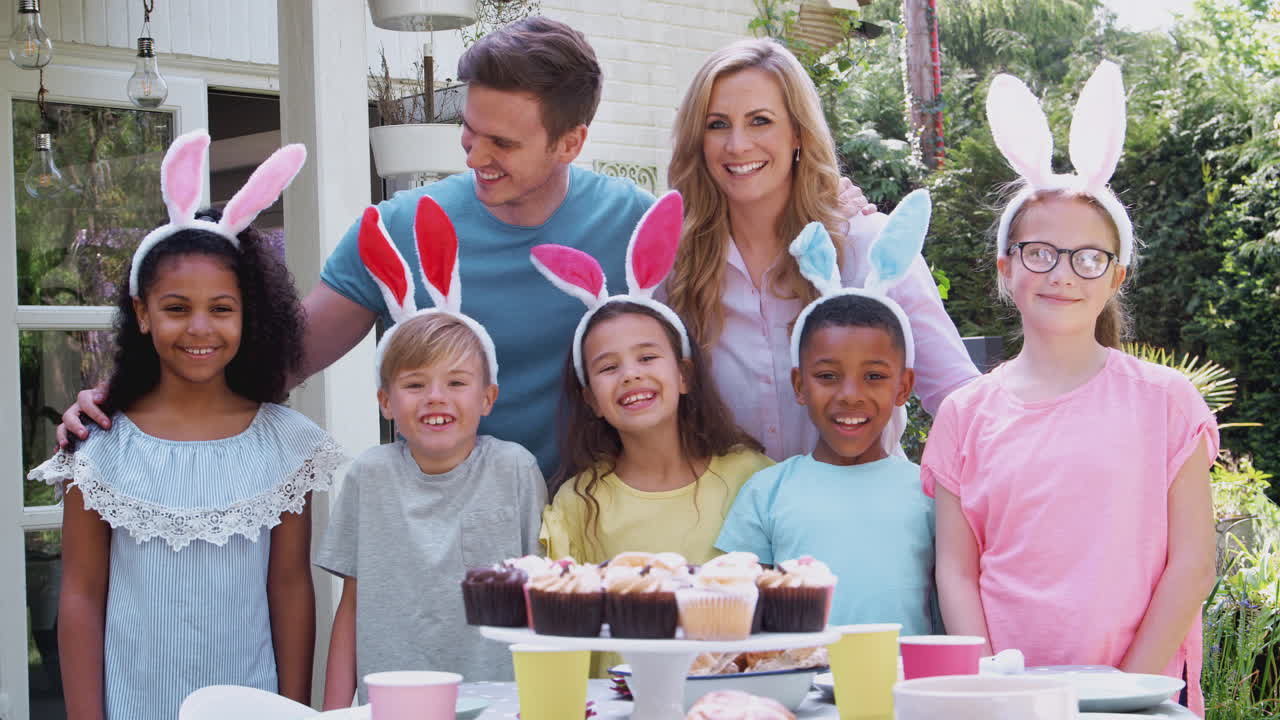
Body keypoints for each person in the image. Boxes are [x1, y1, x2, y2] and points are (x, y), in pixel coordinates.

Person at [58, 21, 873, 478]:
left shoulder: (636, 222)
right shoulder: (403, 228)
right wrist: (127, 401)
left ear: (572, 141)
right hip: (445, 522)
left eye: (503, 143)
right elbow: (281, 361)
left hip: (591, 525)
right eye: (469, 130)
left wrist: (841, 203)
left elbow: (756, 239)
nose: (475, 156)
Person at [924, 62, 1217, 715]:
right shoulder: (965, 416)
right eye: (1040, 252)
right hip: (1009, 704)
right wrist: (994, 690)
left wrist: (1124, 698)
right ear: (1006, 267)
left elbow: (1193, 565)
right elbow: (957, 570)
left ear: (1116, 275)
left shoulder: (1165, 402)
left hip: (1141, 703)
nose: (1062, 274)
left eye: (1088, 257)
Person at [27, 131, 343, 720]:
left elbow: (290, 590)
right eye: (176, 308)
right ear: (142, 314)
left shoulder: (285, 444)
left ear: (250, 315)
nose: (200, 327)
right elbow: (80, 596)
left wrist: (297, 712)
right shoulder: (99, 447)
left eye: (222, 308)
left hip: (254, 705)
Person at [665, 38, 978, 460]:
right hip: (728, 522)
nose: (737, 145)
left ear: (797, 132)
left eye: (760, 121)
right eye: (717, 124)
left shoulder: (869, 245)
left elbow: (958, 398)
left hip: (864, 519)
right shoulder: (677, 265)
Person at [315, 198, 545, 706]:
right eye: (415, 384)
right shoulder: (368, 476)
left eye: (456, 382)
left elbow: (541, 596)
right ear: (386, 402)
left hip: (499, 703)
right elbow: (351, 605)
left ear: (488, 398)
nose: (436, 397)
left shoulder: (514, 469)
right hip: (390, 703)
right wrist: (332, 713)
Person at [534, 192, 771, 674]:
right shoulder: (578, 502)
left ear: (684, 375)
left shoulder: (754, 479)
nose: (630, 375)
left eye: (647, 357)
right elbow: (563, 646)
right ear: (590, 400)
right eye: (607, 366)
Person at [716, 191, 939, 634]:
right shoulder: (766, 492)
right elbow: (736, 615)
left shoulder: (930, 494)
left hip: (902, 695)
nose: (850, 396)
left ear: (904, 387)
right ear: (800, 385)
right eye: (828, 376)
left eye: (874, 376)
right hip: (799, 694)